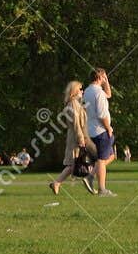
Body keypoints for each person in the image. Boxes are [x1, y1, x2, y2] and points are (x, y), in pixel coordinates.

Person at [49, 81, 94, 195]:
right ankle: (58, 182)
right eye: (80, 89)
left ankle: (84, 178)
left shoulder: (76, 103)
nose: (82, 91)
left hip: (78, 135)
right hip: (76, 136)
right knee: (74, 163)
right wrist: (80, 138)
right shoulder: (73, 104)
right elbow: (76, 124)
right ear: (74, 91)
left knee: (77, 162)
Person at [82, 68, 117, 196]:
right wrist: (108, 128)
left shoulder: (87, 91)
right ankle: (102, 189)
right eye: (104, 77)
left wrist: (106, 82)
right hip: (101, 130)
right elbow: (102, 115)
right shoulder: (99, 93)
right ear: (99, 78)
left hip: (90, 130)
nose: (105, 79)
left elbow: (109, 94)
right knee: (101, 160)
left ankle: (90, 176)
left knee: (110, 156)